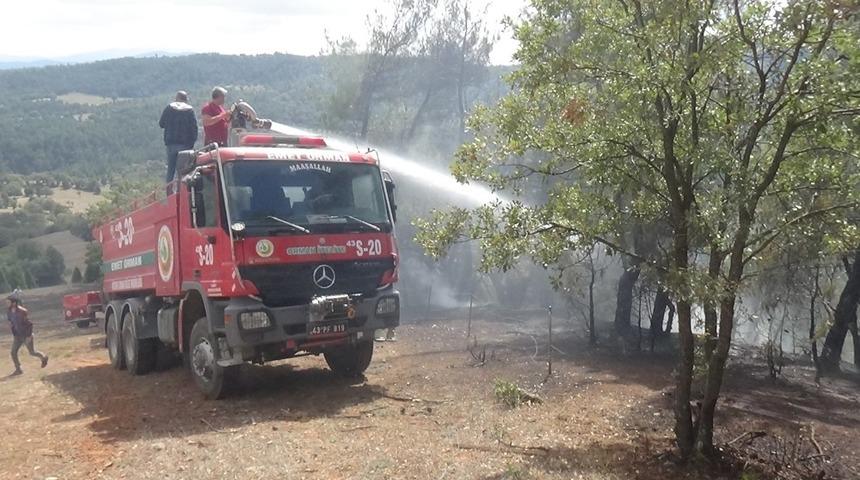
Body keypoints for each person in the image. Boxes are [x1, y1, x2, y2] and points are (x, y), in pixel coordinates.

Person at [159, 91, 198, 182]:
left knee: (170, 170)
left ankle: (169, 193)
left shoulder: (169, 108)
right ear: (186, 99)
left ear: (176, 98)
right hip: (185, 145)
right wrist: (192, 143)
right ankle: (181, 192)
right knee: (183, 170)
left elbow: (161, 124)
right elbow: (194, 129)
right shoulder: (189, 110)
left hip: (171, 143)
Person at [6, 290, 48, 376]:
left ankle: (44, 357)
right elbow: (10, 320)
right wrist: (11, 326)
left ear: (14, 303)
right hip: (17, 336)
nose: (7, 303)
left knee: (32, 352)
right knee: (13, 352)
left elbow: (29, 324)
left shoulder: (22, 311)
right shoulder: (9, 311)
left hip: (26, 335)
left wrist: (29, 336)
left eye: (8, 302)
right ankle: (18, 369)